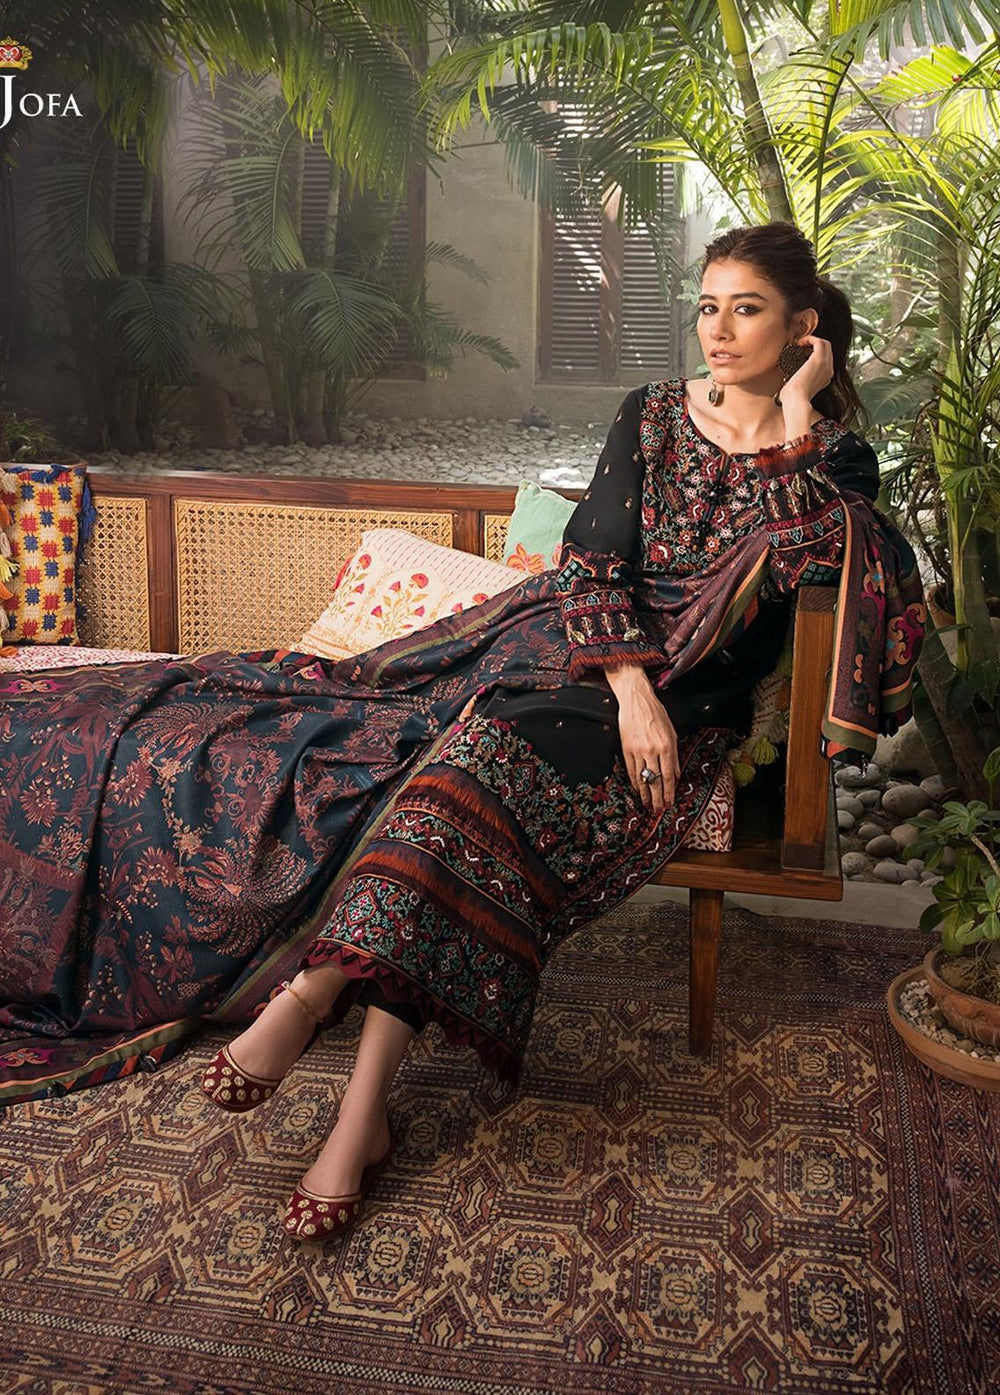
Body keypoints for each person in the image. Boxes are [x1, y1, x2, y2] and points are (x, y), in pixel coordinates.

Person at [197, 221, 903, 1242]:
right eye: (707, 306)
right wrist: (631, 691)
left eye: (745, 309)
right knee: (463, 783)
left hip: (702, 700)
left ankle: (323, 1028)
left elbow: (816, 562)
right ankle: (347, 1080)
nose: (716, 329)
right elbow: (591, 566)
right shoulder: (651, 414)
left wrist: (795, 415)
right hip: (589, 664)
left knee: (470, 797)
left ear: (802, 328)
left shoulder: (837, 458)